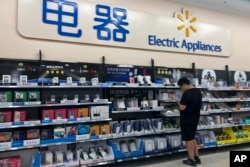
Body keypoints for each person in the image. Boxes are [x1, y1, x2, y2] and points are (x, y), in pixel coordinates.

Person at [176, 77, 202, 166]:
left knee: (188, 140)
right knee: (192, 137)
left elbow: (182, 107)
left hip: (186, 119)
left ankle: (191, 160)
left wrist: (177, 101)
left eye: (181, 87)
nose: (181, 89)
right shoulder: (198, 91)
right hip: (195, 118)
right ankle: (197, 157)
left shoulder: (186, 93)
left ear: (183, 85)